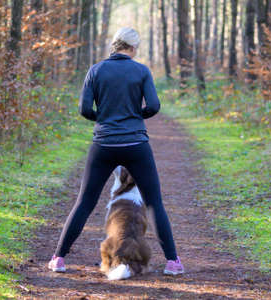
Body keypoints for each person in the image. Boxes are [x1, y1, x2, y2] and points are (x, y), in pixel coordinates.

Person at [48, 27, 184, 275]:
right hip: (136, 145)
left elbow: (84, 109)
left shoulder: (96, 70)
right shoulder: (141, 71)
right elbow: (153, 106)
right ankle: (173, 263)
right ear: (132, 48)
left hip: (104, 145)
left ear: (115, 45)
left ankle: (58, 258)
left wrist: (105, 118)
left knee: (85, 202)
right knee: (154, 203)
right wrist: (134, 116)